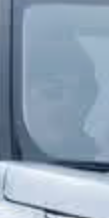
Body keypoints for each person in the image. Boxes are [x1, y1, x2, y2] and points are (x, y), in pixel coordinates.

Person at [24, 28, 100, 159]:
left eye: (82, 93)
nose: (69, 102)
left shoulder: (106, 159)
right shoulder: (1, 165)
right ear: (23, 94)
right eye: (53, 90)